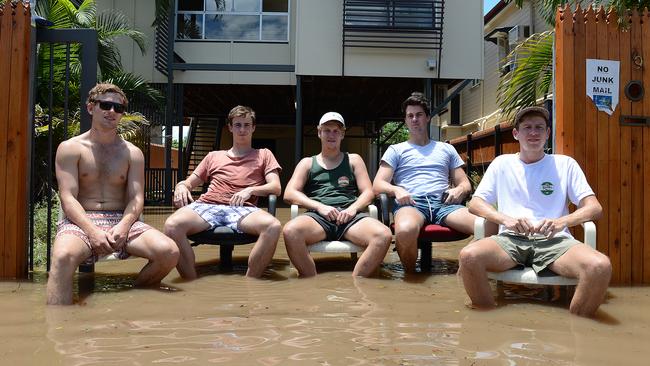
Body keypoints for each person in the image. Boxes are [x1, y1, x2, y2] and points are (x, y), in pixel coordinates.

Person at [459, 106, 611, 317]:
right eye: (527, 127)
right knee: (469, 256)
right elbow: (475, 204)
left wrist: (562, 222)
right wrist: (506, 219)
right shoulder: (502, 164)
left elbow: (595, 208)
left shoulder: (565, 164)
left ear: (548, 134)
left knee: (600, 267)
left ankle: (578, 330)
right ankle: (488, 319)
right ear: (516, 133)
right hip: (511, 239)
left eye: (539, 127)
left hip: (555, 240)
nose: (533, 133)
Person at [47, 83, 179, 305]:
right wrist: (92, 231)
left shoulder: (132, 153)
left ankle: (136, 295)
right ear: (91, 108)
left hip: (121, 220)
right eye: (105, 105)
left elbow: (136, 198)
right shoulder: (70, 148)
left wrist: (124, 226)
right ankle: (60, 325)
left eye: (118, 108)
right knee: (62, 258)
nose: (112, 111)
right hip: (82, 219)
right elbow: (67, 197)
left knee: (170, 252)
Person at [164, 105, 282, 279]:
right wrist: (181, 186)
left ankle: (250, 285)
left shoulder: (264, 154)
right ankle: (190, 284)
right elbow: (189, 183)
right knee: (172, 226)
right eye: (238, 125)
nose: (242, 129)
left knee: (273, 226)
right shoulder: (213, 156)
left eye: (247, 125)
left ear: (253, 128)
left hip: (244, 209)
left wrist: (250, 190)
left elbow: (276, 187)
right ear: (230, 127)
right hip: (208, 205)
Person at [372, 92, 476, 273]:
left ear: (427, 118)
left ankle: (466, 274)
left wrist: (459, 190)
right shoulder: (396, 150)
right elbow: (378, 185)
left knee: (487, 224)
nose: (414, 119)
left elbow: (465, 184)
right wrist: (396, 190)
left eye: (419, 115)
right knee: (405, 231)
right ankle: (411, 279)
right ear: (405, 120)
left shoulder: (446, 148)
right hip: (412, 204)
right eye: (410, 116)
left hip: (444, 204)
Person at [282, 112, 391, 277]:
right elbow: (289, 193)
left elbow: (369, 192)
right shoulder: (307, 163)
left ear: (342, 134)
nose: (331, 135)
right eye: (327, 130)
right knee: (290, 231)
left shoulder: (354, 160)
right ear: (319, 132)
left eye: (336, 131)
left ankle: (358, 284)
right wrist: (319, 207)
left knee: (383, 235)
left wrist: (353, 209)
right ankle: (310, 282)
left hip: (350, 217)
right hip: (318, 217)